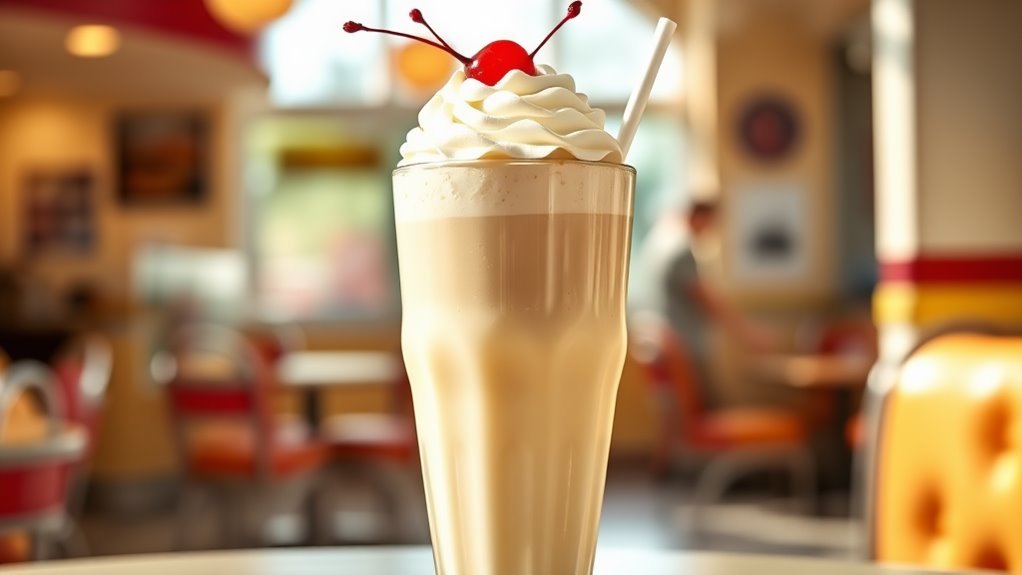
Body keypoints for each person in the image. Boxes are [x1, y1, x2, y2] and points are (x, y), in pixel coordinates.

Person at [655, 199, 776, 408]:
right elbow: (708, 301)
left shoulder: (664, 245)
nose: (713, 229)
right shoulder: (681, 252)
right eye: (711, 222)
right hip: (687, 348)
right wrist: (748, 333)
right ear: (698, 217)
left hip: (676, 342)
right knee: (712, 407)